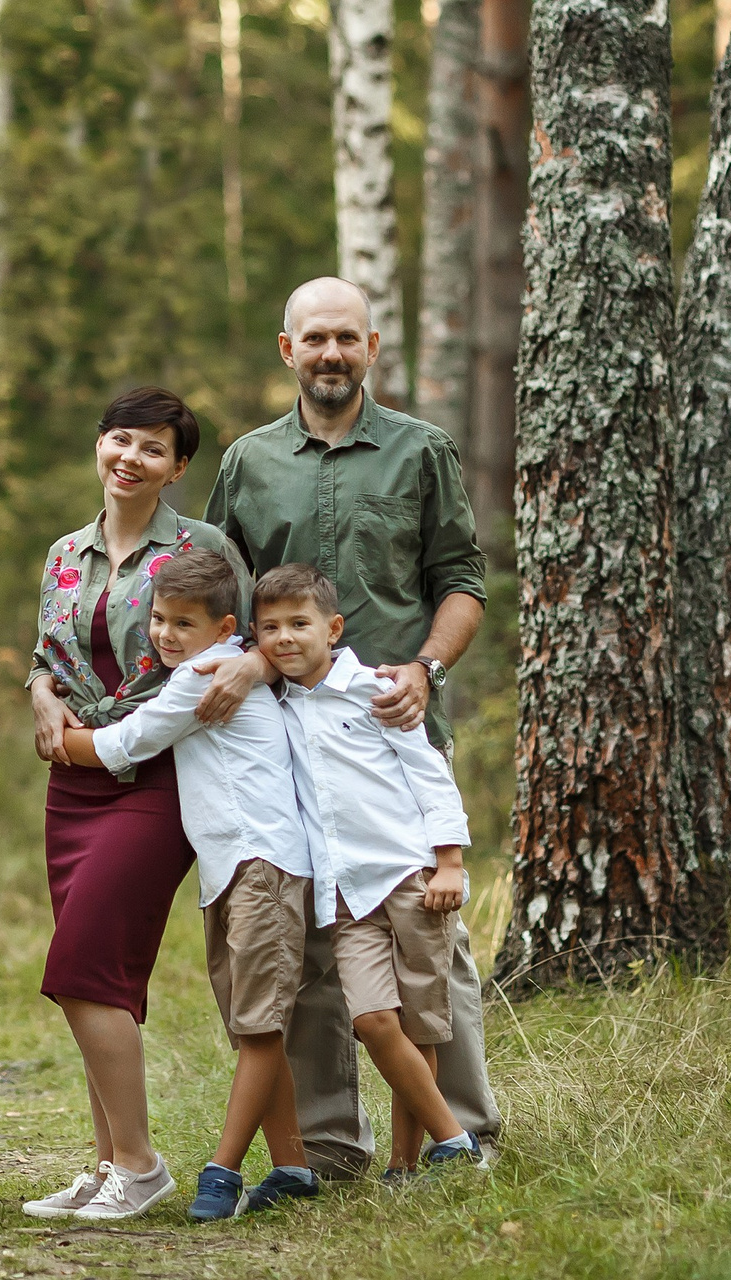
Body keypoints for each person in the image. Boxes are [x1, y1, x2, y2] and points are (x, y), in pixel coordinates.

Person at [191, 276, 500, 1177]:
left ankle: (466, 1129)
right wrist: (248, 659)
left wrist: (427, 668)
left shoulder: (420, 451)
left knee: (431, 943)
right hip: (282, 743)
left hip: (390, 731)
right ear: (287, 350)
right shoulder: (249, 461)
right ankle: (332, 1146)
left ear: (372, 347)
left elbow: (462, 581)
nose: (331, 354)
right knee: (315, 941)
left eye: (348, 339)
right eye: (314, 339)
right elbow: (221, 591)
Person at [18, 393, 255, 1221]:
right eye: (120, 439)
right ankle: (107, 1165)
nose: (131, 458)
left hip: (153, 779)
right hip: (69, 787)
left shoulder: (203, 548)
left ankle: (142, 1165)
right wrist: (41, 697)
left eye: (153, 449)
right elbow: (47, 654)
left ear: (179, 467)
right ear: (100, 444)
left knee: (82, 971)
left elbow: (247, 647)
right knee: (105, 984)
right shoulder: (63, 553)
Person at [41, 547, 321, 1222]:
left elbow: (124, 745)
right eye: (159, 619)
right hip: (236, 868)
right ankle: (293, 1167)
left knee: (255, 1024)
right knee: (250, 1022)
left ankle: (220, 1173)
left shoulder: (204, 673)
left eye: (183, 623)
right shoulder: (209, 664)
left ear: (226, 628)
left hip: (260, 866)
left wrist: (58, 738)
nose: (165, 634)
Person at [254, 564, 487, 1178]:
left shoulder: (377, 690)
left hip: (410, 880)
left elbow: (429, 773)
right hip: (346, 895)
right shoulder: (275, 704)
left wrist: (449, 863)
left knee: (421, 1025)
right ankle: (455, 1141)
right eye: (269, 627)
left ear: (332, 628)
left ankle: (404, 1165)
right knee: (373, 1021)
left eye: (299, 624)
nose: (284, 638)